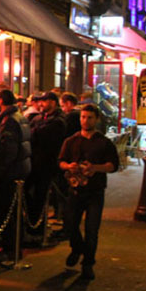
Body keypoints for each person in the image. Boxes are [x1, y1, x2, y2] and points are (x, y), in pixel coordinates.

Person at [58, 104, 119, 280]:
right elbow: (61, 161)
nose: (85, 121)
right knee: (70, 224)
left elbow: (113, 165)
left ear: (96, 119)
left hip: (95, 191)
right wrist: (69, 166)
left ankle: (88, 263)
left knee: (92, 230)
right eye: (83, 117)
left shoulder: (104, 143)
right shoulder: (71, 141)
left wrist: (95, 168)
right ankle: (77, 248)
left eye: (89, 117)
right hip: (75, 190)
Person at [0, 89, 32, 260]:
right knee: (14, 211)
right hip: (21, 168)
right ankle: (14, 245)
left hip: (11, 171)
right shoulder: (19, 116)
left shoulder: (8, 120)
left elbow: (8, 150)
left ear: (0, 100)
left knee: (7, 210)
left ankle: (10, 248)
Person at [27, 91, 66, 231]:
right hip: (35, 162)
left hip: (46, 164)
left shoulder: (58, 121)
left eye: (44, 101)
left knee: (40, 195)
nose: (40, 104)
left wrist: (34, 132)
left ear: (53, 102)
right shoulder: (39, 118)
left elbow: (41, 136)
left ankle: (37, 226)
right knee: (29, 193)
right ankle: (33, 222)